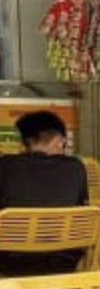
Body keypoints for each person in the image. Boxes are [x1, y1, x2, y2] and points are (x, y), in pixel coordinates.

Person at [0, 110, 92, 274]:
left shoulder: (5, 166)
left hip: (9, 264)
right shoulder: (76, 167)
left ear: (24, 144)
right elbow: (82, 212)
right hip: (64, 262)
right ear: (60, 142)